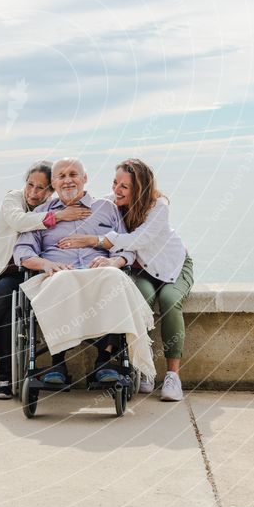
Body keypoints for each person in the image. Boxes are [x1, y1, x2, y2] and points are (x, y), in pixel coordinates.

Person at [0, 161, 90, 399]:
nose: (33, 193)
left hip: (22, 270)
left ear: (51, 190)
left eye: (41, 188)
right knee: (6, 298)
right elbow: (19, 221)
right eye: (30, 185)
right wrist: (57, 216)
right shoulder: (13, 198)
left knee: (8, 303)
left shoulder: (49, 206)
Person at [57, 158, 193, 401]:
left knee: (170, 301)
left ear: (139, 189)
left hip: (172, 267)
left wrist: (93, 241)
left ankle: (173, 376)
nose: (117, 191)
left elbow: (136, 240)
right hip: (142, 271)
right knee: (141, 298)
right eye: (115, 183)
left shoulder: (158, 207)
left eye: (124, 187)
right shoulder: (112, 203)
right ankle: (145, 365)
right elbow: (85, 206)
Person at [13, 157, 136, 385]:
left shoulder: (107, 209)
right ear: (54, 183)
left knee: (114, 278)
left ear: (84, 179)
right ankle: (57, 362)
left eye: (73, 175)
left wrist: (115, 262)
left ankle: (104, 360)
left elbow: (127, 248)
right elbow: (22, 251)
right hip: (58, 274)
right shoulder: (42, 213)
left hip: (98, 273)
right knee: (61, 280)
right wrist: (45, 264)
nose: (68, 181)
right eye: (61, 176)